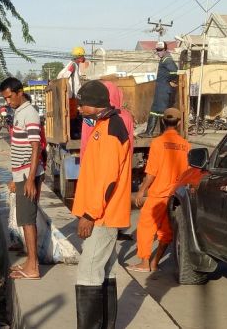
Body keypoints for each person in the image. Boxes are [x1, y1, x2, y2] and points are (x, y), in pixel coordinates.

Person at [72, 80, 131, 329]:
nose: (79, 109)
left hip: (102, 215)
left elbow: (107, 179)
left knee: (88, 274)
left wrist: (89, 214)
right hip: (102, 213)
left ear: (94, 105)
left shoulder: (110, 129)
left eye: (81, 105)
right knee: (106, 272)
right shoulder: (103, 124)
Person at [128, 108, 190, 272]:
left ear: (163, 121)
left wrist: (141, 191)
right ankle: (155, 263)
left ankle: (144, 262)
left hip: (158, 194)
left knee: (145, 227)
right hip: (175, 195)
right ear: (179, 123)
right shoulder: (185, 145)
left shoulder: (157, 143)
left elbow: (151, 173)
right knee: (165, 230)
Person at [1, 77, 44, 280]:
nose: (8, 102)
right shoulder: (19, 112)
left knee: (27, 220)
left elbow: (36, 147)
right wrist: (15, 176)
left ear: (20, 92)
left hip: (28, 173)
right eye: (6, 99)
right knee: (24, 219)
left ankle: (33, 267)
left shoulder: (30, 113)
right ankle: (29, 262)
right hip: (22, 172)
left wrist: (29, 179)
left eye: (10, 97)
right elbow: (20, 147)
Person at [139, 41, 178, 138]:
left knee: (161, 111)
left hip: (163, 90)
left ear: (165, 50)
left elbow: (174, 71)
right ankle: (150, 132)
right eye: (157, 50)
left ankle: (161, 133)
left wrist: (170, 81)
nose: (159, 52)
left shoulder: (167, 60)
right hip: (161, 90)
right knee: (155, 111)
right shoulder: (163, 59)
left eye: (161, 50)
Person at [57, 46, 87, 139]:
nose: (84, 57)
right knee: (73, 115)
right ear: (79, 56)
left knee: (76, 114)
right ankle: (74, 133)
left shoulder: (75, 65)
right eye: (83, 56)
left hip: (74, 95)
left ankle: (76, 132)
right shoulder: (73, 65)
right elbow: (63, 75)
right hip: (72, 95)